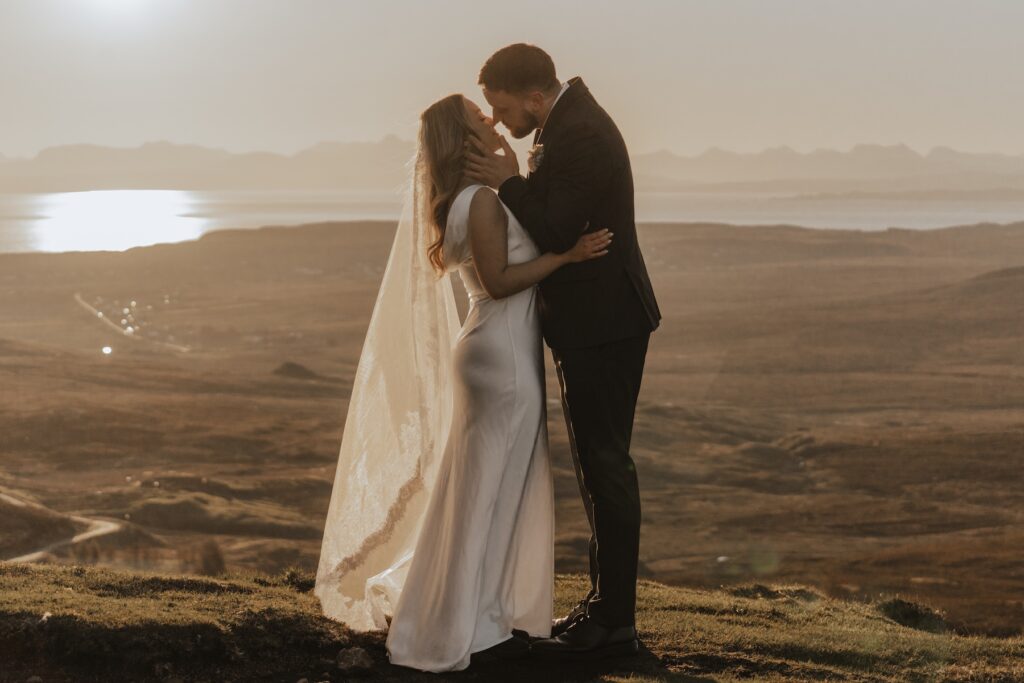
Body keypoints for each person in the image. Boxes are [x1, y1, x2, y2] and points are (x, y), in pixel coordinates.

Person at [314, 91, 612, 673]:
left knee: (489, 490)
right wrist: (569, 257)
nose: (493, 120)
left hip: (494, 351)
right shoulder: (479, 201)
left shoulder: (468, 198)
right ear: (465, 138)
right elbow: (500, 282)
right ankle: (465, 627)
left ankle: (485, 619)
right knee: (486, 494)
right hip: (500, 355)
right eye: (482, 118)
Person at [466, 43, 661, 659]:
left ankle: (616, 622)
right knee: (597, 466)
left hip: (604, 324)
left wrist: (508, 183)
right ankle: (606, 607)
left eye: (501, 109)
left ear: (533, 96)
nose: (498, 121)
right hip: (592, 323)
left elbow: (555, 228)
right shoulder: (565, 125)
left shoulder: (580, 134)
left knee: (606, 465)